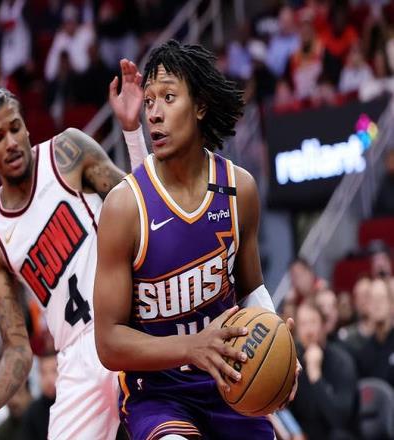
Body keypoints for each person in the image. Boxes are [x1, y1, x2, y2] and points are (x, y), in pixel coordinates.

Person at [94, 40, 299, 440]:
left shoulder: (239, 188)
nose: (154, 112)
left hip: (232, 381)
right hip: (159, 393)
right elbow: (109, 342)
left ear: (200, 106)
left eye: (168, 97)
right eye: (149, 101)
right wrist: (192, 347)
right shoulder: (124, 207)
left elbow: (251, 288)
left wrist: (279, 349)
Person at [0, 58, 147, 439]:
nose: (11, 142)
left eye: (15, 128)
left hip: (128, 319)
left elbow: (145, 209)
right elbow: (18, 349)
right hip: (76, 358)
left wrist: (131, 131)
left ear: (27, 127)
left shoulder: (67, 152)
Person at [291, 301, 359, 440]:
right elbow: (285, 410)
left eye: (313, 322)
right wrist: (294, 431)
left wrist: (315, 376)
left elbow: (340, 419)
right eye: (303, 324)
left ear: (323, 326)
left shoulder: (342, 361)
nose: (309, 331)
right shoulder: (293, 362)